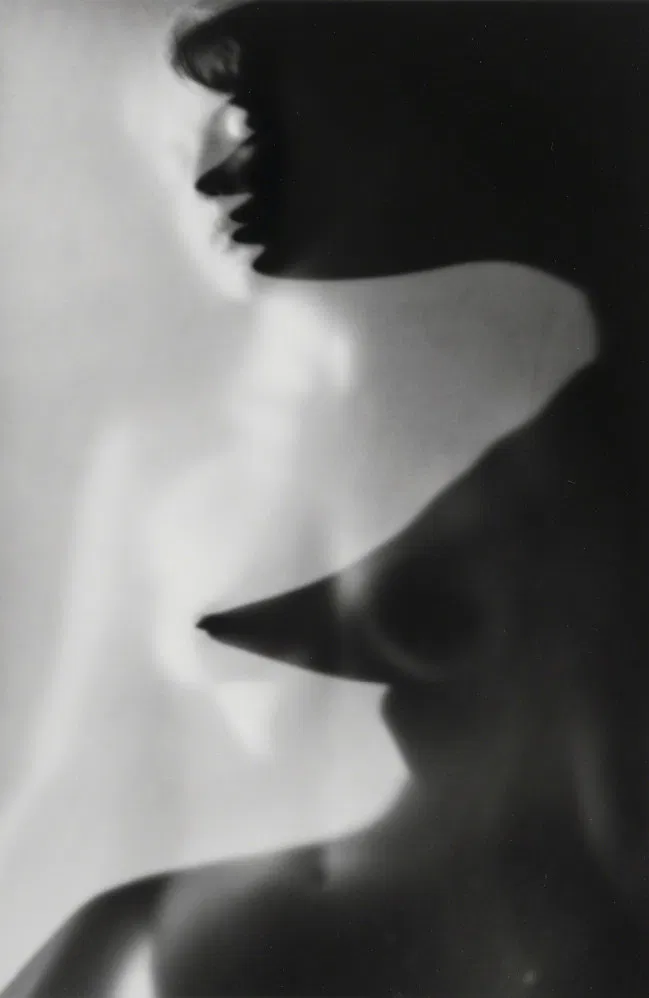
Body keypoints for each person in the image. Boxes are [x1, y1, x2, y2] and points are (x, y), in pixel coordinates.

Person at [5, 1, 649, 995]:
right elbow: (76, 781)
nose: (212, 180)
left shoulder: (534, 434)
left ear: (393, 104)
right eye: (188, 147)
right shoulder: (556, 429)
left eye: (251, 126)